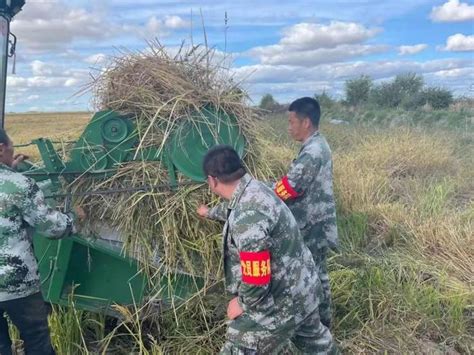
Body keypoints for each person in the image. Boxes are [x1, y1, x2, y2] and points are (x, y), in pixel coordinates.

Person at [197, 145, 335, 354]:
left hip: (282, 304)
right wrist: (210, 213)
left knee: (238, 348)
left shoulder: (247, 219)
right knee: (319, 347)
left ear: (212, 180)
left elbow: (257, 278)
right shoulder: (256, 189)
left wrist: (241, 304)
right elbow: (237, 209)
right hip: (304, 290)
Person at [0, 129, 76, 355]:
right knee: (36, 341)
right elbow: (53, 228)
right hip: (17, 284)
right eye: (11, 148)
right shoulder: (19, 185)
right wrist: (73, 217)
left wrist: (8, 170)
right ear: (1, 149)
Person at [272, 97, 338, 328]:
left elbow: (288, 188)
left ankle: (317, 324)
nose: (289, 127)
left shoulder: (312, 152)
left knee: (311, 273)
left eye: (291, 122)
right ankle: (323, 321)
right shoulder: (317, 145)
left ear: (306, 122)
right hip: (316, 220)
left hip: (311, 223)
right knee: (318, 272)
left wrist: (258, 189)